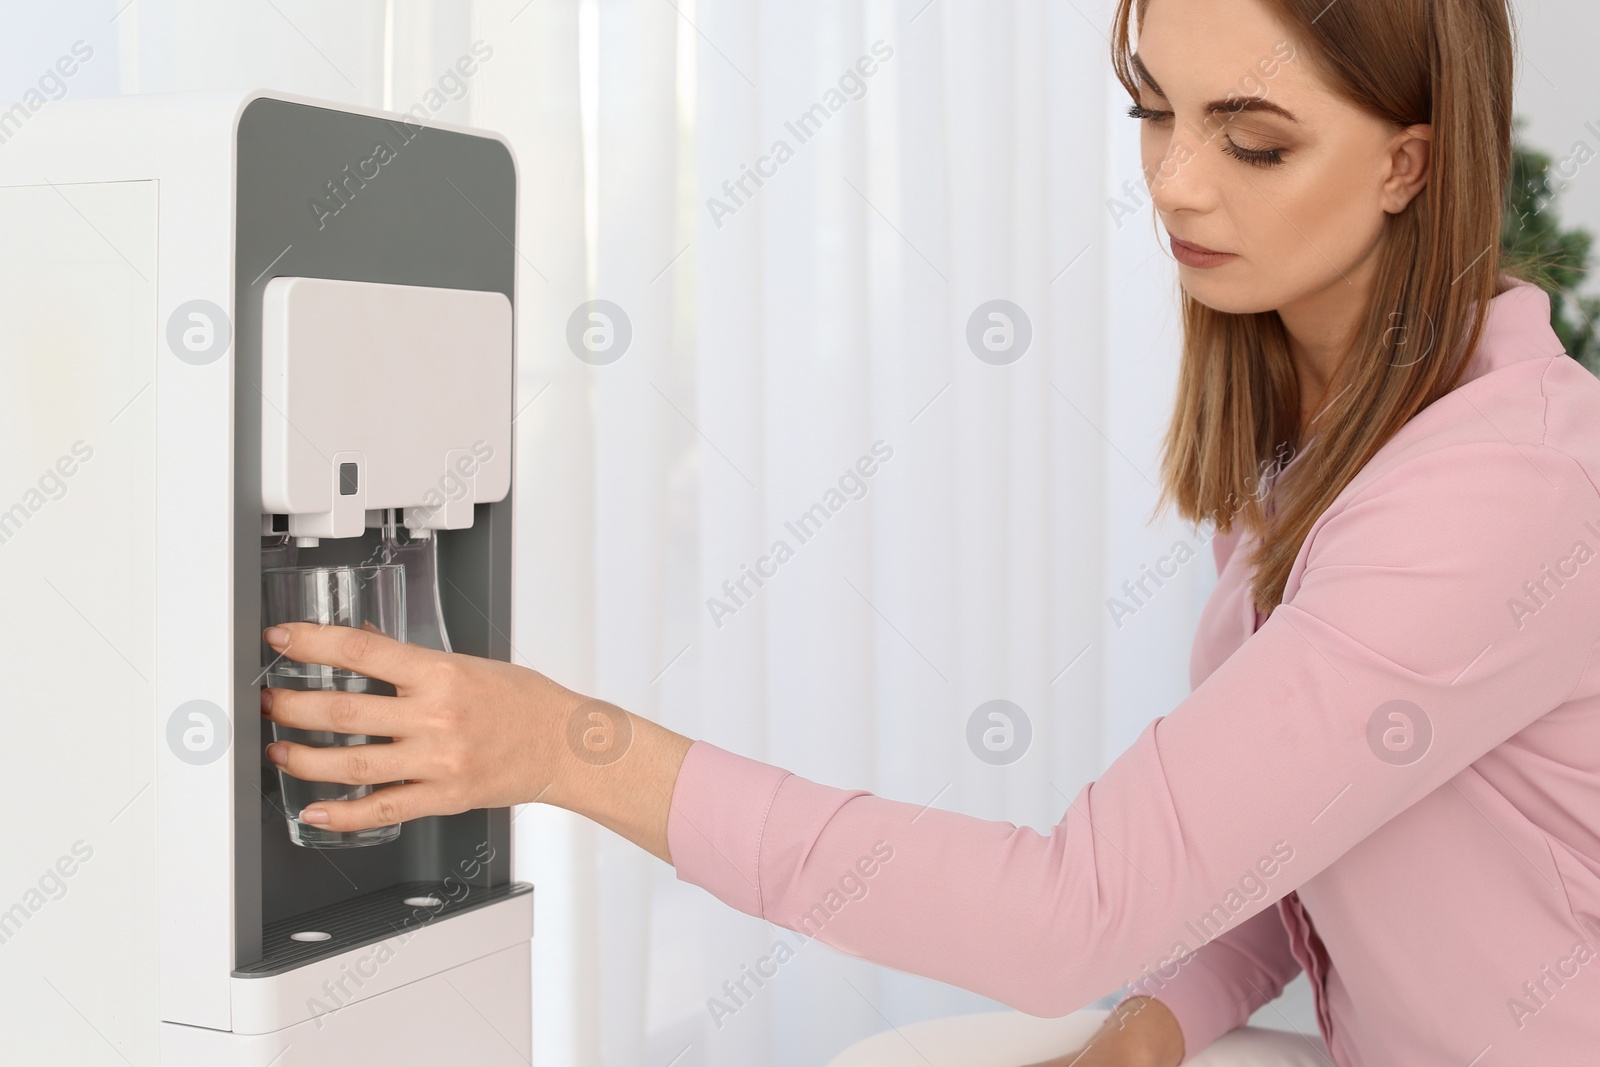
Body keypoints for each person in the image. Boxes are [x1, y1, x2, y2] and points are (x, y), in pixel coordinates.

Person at [258, 0, 1600, 1063]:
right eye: (1152, 112)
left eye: (1252, 139)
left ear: (1409, 161)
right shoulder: (1311, 455)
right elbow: (1292, 838)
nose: (1179, 186)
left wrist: (566, 746)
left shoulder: (1495, 493)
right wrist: (1153, 1027)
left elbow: (1069, 915)